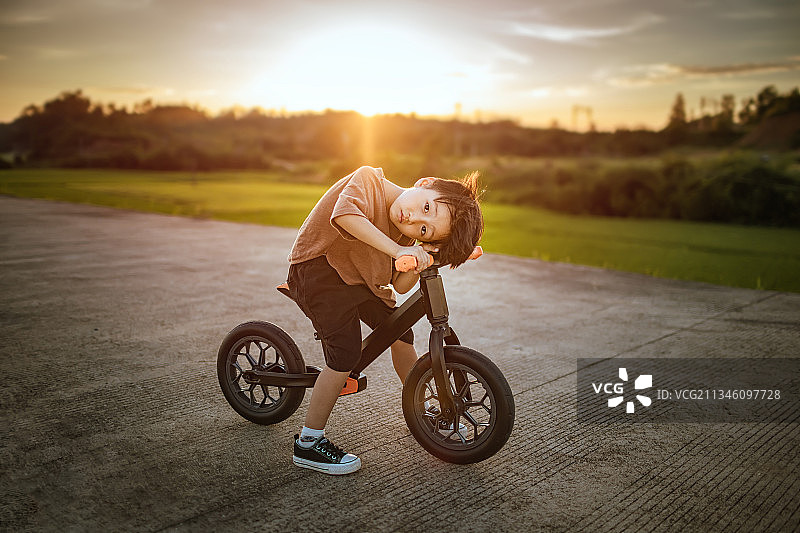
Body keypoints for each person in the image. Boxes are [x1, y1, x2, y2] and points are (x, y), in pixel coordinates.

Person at [285, 165, 483, 475]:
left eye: (424, 230)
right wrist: (398, 248)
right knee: (345, 355)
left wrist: (428, 256)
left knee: (401, 332)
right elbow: (346, 217)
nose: (414, 220)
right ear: (425, 183)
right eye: (426, 207)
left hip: (358, 282)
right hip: (318, 271)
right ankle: (309, 443)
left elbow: (400, 284)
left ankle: (421, 410)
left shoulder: (405, 234)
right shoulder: (368, 180)